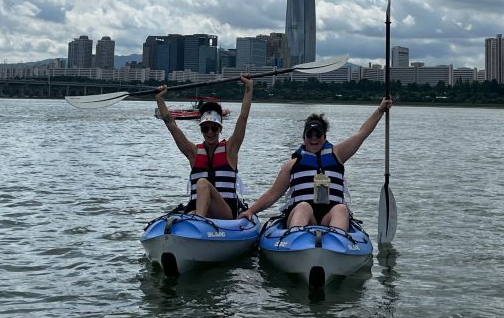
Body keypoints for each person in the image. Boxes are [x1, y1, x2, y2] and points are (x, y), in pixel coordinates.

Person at [239, 97, 392, 229]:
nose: (314, 138)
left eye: (318, 134)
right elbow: (273, 194)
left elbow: (362, 133)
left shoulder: (337, 154)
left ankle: (336, 242)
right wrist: (251, 211)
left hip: (330, 217)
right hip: (303, 215)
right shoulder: (292, 164)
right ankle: (297, 240)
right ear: (303, 137)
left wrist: (380, 110)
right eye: (309, 134)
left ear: (324, 137)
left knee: (341, 209)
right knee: (304, 206)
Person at [155, 75, 253, 219]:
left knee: (202, 183)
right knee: (188, 213)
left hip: (224, 213)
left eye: (214, 128)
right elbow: (171, 124)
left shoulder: (230, 150)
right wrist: (160, 99)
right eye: (205, 128)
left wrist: (249, 87)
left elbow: (243, 117)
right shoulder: (193, 153)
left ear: (220, 129)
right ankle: (196, 222)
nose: (210, 132)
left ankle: (197, 224)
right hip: (198, 210)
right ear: (201, 129)